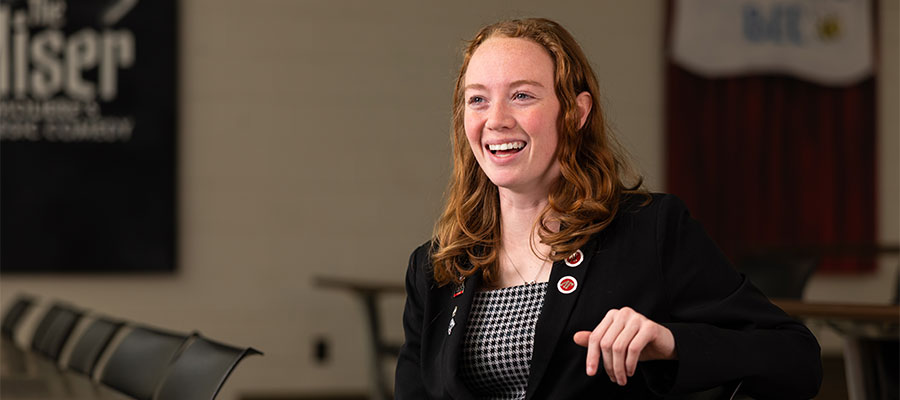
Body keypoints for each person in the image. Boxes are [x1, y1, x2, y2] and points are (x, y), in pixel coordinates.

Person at [395, 18, 822, 399]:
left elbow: (795, 358)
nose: (496, 119)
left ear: (576, 113)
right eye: (478, 100)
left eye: (522, 95)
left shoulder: (650, 231)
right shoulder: (435, 268)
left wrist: (671, 342)